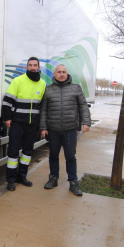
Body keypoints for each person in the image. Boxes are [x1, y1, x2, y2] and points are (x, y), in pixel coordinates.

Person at [40, 64, 91, 196]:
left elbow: (83, 106)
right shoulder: (49, 90)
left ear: (67, 73)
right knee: (53, 155)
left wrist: (86, 122)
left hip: (70, 129)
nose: (62, 74)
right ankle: (53, 178)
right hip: (53, 129)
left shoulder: (76, 88)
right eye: (59, 72)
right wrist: (43, 127)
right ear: (55, 74)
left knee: (70, 157)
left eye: (64, 72)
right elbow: (44, 110)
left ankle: (73, 182)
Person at [2, 57, 46, 191]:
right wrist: (7, 118)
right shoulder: (18, 81)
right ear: (27, 67)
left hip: (33, 124)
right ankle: (11, 180)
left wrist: (41, 124)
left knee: (27, 151)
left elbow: (43, 105)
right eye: (30, 65)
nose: (33, 67)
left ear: (39, 68)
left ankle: (22, 177)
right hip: (17, 123)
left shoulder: (43, 84)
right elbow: (7, 102)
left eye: (35, 65)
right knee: (13, 151)